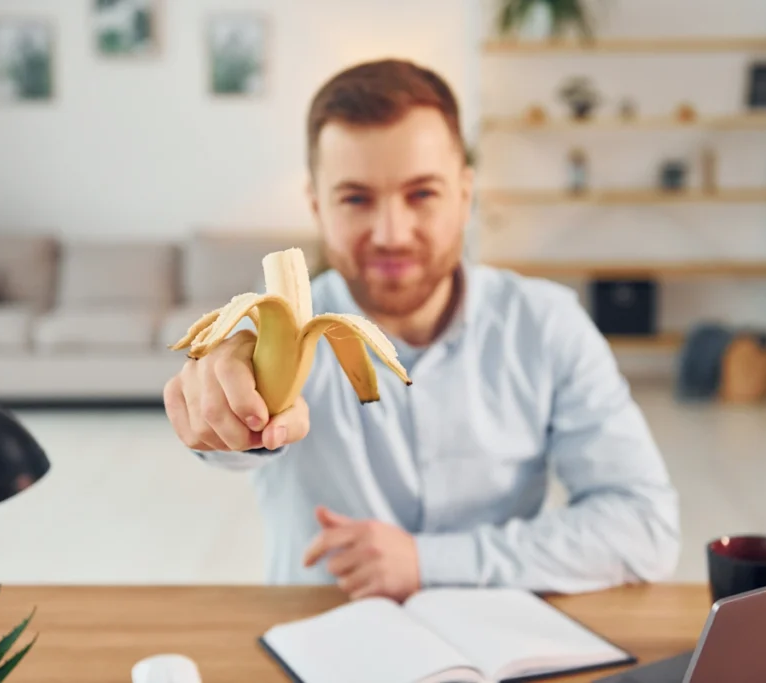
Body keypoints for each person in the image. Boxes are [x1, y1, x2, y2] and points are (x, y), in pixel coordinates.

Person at [163, 58, 680, 602]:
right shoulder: (270, 336)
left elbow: (644, 527)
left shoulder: (546, 325)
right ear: (317, 206)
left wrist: (428, 562)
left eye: (422, 194)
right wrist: (225, 412)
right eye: (356, 199)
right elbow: (229, 425)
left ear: (465, 195)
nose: (391, 234)